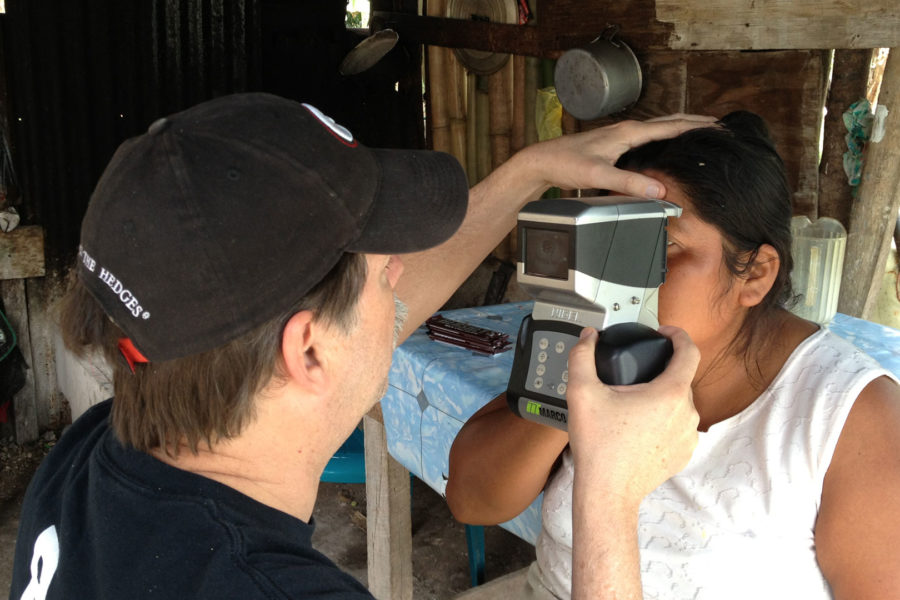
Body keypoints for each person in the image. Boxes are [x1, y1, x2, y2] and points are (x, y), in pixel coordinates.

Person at [9, 93, 712, 599]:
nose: (402, 274)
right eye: (383, 271)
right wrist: (611, 496)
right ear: (309, 352)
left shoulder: (96, 456)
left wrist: (527, 173)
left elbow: (365, 324)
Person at [446, 110, 900, 600]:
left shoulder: (851, 418)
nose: (604, 277)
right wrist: (568, 392)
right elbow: (473, 499)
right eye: (604, 243)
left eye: (655, 246)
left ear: (754, 275)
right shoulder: (594, 351)